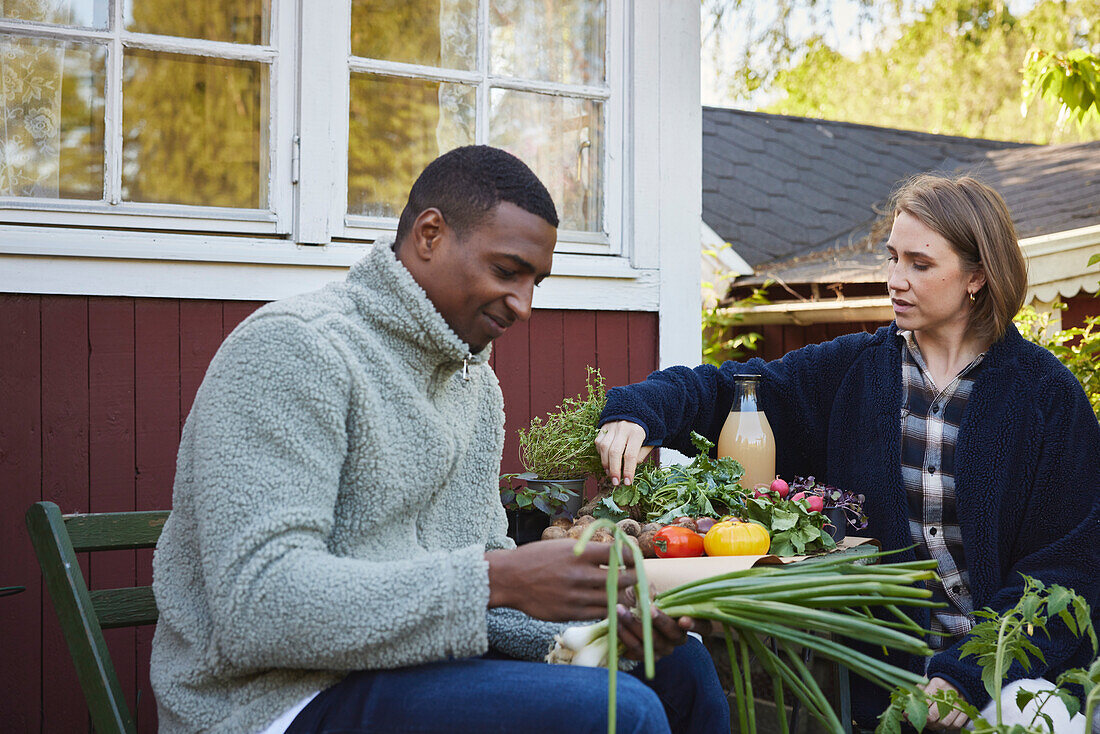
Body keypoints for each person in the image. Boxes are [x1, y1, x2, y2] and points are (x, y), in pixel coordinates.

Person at [150, 145, 729, 734]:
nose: (525, 306)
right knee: (619, 713)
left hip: (418, 668)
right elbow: (259, 607)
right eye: (507, 271)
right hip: (275, 701)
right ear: (430, 234)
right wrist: (500, 578)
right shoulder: (295, 350)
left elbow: (486, 583)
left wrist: (598, 624)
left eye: (536, 281)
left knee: (677, 668)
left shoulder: (474, 384)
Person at [596, 174, 1100, 731]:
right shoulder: (854, 372)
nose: (895, 280)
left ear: (977, 275)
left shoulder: (1045, 397)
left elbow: (1067, 569)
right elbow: (729, 388)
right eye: (892, 258)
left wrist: (964, 677)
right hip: (878, 673)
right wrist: (638, 411)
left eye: (920, 264)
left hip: (1010, 674)